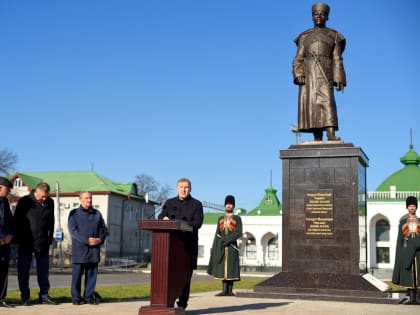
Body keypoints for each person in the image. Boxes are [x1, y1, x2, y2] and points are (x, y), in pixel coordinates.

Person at [292, 2, 346, 141]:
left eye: (322, 14)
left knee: (327, 102)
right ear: (312, 16)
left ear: (327, 17)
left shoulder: (334, 36)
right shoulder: (305, 37)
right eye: (316, 14)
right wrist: (298, 74)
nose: (319, 16)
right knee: (311, 104)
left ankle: (330, 133)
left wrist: (339, 77)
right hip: (309, 73)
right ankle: (317, 135)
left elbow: (337, 58)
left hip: (325, 71)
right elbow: (298, 58)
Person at [158, 178, 203, 310]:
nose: (184, 189)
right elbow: (161, 216)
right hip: (170, 247)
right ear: (177, 188)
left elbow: (197, 223)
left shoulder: (197, 205)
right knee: (169, 276)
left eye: (186, 187)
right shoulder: (169, 203)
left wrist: (181, 225)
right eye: (181, 187)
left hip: (187, 247)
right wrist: (163, 218)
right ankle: (166, 303)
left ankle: (182, 305)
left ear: (190, 189)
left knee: (184, 278)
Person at [13, 182, 57, 306]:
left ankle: (44, 295)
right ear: (36, 191)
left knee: (43, 271)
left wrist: (49, 239)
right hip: (25, 242)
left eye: (46, 196)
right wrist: (16, 240)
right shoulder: (24, 201)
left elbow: (51, 221)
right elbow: (16, 220)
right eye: (42, 196)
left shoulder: (50, 202)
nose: (45, 199)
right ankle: (25, 297)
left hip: (42, 243)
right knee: (23, 271)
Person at [68, 191, 108, 305]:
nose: (89, 200)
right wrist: (86, 240)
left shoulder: (97, 214)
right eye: (86, 198)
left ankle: (88, 297)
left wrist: (100, 239)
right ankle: (76, 298)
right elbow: (73, 231)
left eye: (90, 198)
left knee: (91, 276)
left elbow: (104, 230)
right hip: (79, 250)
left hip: (94, 251)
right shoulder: (74, 214)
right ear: (80, 200)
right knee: (76, 277)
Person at [207, 195, 242, 296]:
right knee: (223, 268)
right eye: (227, 204)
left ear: (233, 206)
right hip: (221, 247)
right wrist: (216, 247)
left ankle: (230, 291)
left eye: (230, 204)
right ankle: (224, 290)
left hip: (232, 247)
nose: (229, 205)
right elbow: (217, 233)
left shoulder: (237, 218)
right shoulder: (220, 219)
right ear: (225, 205)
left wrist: (226, 240)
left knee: (231, 268)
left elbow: (239, 232)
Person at [392, 196, 420, 304]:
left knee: (418, 274)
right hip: (407, 251)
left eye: (413, 205)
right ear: (407, 207)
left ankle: (418, 298)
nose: (412, 207)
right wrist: (400, 254)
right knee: (409, 274)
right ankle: (412, 298)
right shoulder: (403, 222)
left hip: (418, 252)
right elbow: (400, 239)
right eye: (410, 206)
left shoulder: (419, 221)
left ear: (416, 207)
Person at [0, 177, 14, 308]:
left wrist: (10, 235)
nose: (9, 191)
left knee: (3, 271)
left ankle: (1, 298)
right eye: (7, 189)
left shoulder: (5, 202)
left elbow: (10, 221)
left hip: (5, 243)